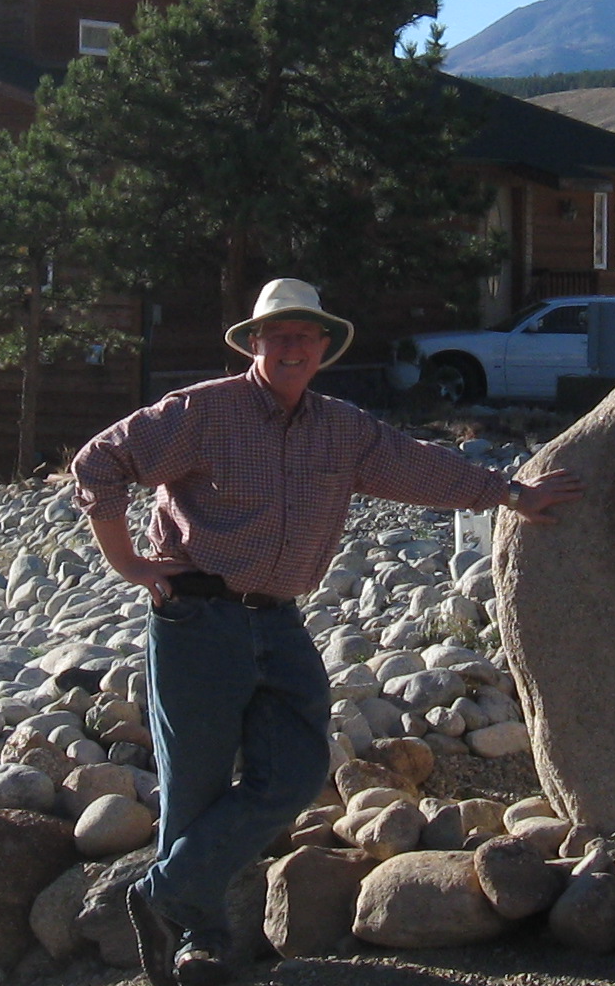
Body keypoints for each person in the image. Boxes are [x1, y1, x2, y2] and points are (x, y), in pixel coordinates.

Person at [71, 277, 583, 986]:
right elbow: (100, 461)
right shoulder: (201, 413)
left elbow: (419, 467)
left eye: (304, 335)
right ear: (254, 344)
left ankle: (164, 893)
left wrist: (512, 494)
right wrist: (124, 559)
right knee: (196, 785)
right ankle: (200, 944)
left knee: (297, 770)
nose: (291, 346)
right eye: (277, 334)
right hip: (197, 618)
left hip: (279, 620)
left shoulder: (343, 429)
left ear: (324, 348)